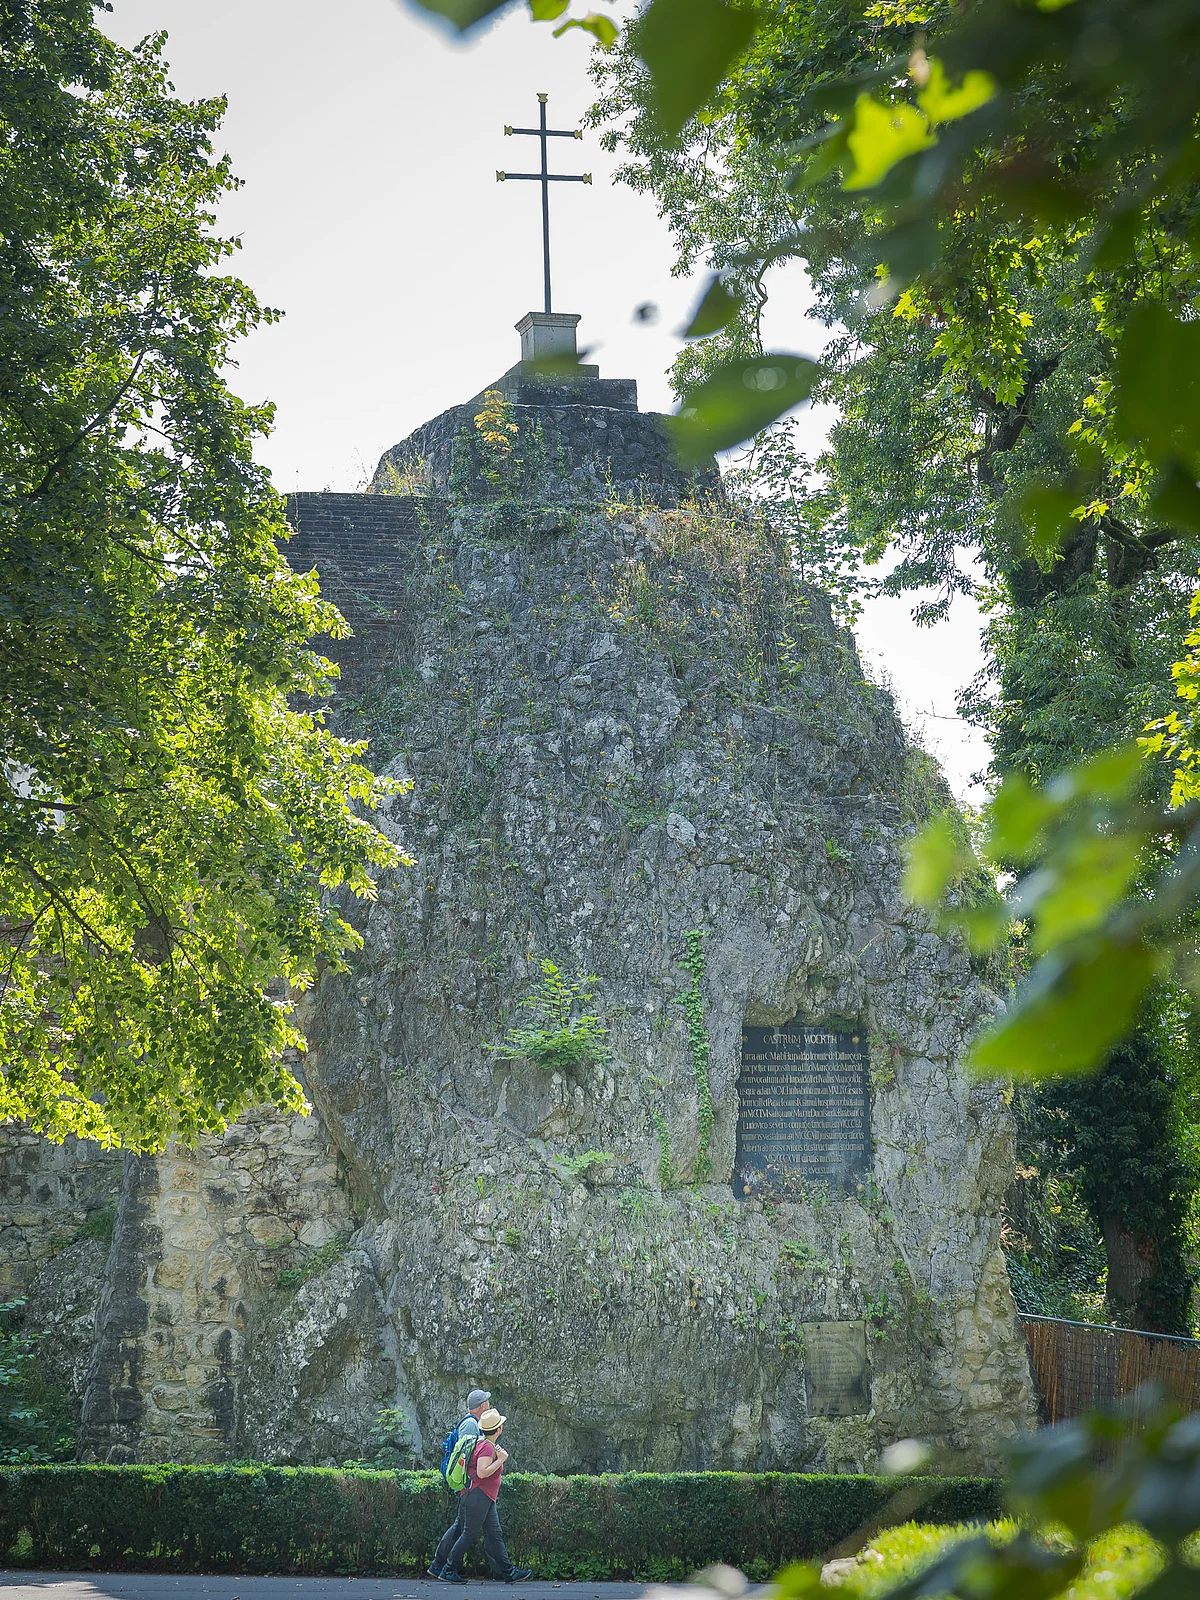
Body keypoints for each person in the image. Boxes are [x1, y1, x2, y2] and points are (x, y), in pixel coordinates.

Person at [440, 1407, 531, 1584]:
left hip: (483, 1496)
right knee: (469, 1534)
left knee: (495, 1533)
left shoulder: (484, 1444)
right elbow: (482, 1472)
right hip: (478, 1496)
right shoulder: (487, 1448)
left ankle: (508, 1572)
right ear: (498, 1429)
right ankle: (448, 1569)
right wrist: (501, 1460)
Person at [428, 1389, 491, 1578]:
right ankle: (442, 1566)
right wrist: (470, 1482)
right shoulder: (471, 1426)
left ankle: (438, 1565)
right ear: (481, 1406)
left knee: (460, 1526)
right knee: (462, 1528)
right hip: (469, 1484)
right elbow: (467, 1457)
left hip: (469, 1484)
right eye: (487, 1402)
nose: (489, 1404)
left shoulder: (472, 1423)